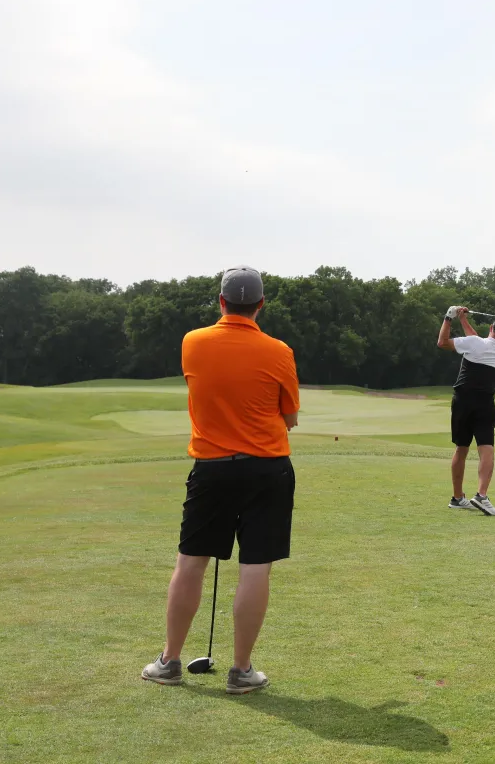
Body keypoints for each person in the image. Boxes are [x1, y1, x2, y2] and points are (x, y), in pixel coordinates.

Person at [141, 266, 300, 694]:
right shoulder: (280, 351)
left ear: (221, 301)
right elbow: (290, 418)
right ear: (261, 305)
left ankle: (169, 661)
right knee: (255, 568)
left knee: (191, 562)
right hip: (268, 468)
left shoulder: (192, 342)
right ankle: (241, 671)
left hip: (212, 469)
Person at [436, 306, 495, 516]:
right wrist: (463, 320)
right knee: (486, 448)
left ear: (490, 328)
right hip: (485, 404)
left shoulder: (475, 344)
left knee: (462, 449)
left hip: (462, 402)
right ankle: (481, 495)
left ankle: (457, 498)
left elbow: (443, 342)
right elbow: (478, 342)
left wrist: (449, 317)